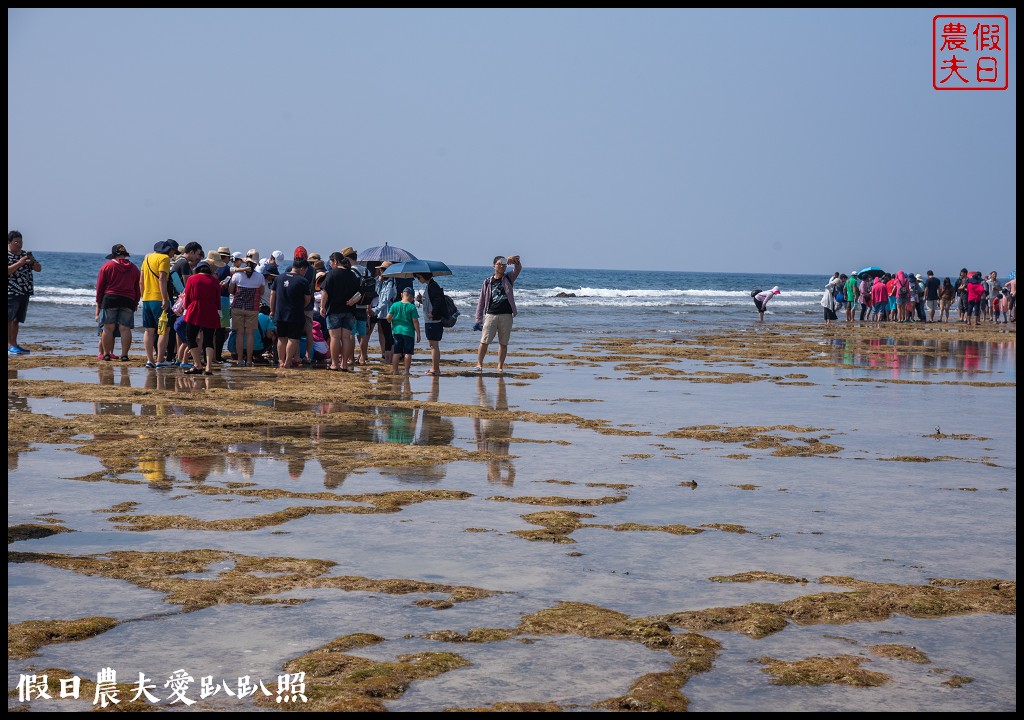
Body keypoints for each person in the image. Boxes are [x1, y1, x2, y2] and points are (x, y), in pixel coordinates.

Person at [474, 254, 523, 372]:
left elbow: (518, 268)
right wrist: (478, 319)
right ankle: (479, 364)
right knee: (484, 341)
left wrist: (515, 261)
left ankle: (500, 366)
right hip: (491, 314)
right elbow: (481, 301)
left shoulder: (509, 278)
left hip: (506, 315)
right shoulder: (487, 282)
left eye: (503, 264)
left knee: (503, 343)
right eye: (499, 264)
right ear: (494, 266)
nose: (501, 266)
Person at [95, 243, 141, 361]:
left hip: (110, 298)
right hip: (128, 299)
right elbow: (137, 288)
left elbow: (100, 287)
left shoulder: (107, 266)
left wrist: (99, 303)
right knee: (125, 328)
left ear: (114, 255)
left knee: (108, 328)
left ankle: (106, 354)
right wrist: (136, 302)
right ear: (125, 255)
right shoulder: (134, 268)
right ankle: (124, 355)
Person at [140, 239, 178, 368]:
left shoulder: (147, 258)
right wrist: (164, 298)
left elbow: (141, 280)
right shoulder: (164, 259)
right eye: (173, 251)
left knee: (149, 330)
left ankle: (150, 360)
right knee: (164, 330)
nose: (174, 254)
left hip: (147, 298)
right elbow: (162, 278)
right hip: (159, 299)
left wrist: (143, 295)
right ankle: (160, 360)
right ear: (169, 250)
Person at [320, 253, 361, 371]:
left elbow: (325, 292)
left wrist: (322, 307)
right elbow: (359, 293)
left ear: (336, 261)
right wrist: (352, 302)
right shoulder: (352, 275)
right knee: (346, 338)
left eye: (331, 262)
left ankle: (334, 364)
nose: (330, 264)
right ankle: (344, 364)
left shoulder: (332, 274)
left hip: (334, 310)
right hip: (350, 310)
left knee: (335, 338)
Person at [180, 261, 222, 375]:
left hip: (195, 309)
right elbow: (218, 298)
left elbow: (187, 296)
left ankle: (197, 364)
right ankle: (208, 367)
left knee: (190, 337)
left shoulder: (192, 279)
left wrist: (185, 309)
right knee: (209, 340)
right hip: (211, 310)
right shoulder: (215, 281)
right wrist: (219, 310)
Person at [270, 255, 312, 369]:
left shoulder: (279, 277)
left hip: (280, 313)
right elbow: (307, 299)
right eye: (305, 270)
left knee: (281, 338)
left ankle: (281, 361)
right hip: (295, 314)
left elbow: (272, 294)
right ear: (302, 268)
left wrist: (272, 310)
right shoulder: (303, 280)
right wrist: (300, 306)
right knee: (293, 339)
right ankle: (288, 362)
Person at [8, 230, 42, 356]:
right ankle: (9, 345)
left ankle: (15, 344)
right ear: (9, 242)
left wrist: (32, 261)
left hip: (25, 291)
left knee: (17, 319)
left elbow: (39, 269)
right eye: (16, 242)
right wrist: (19, 263)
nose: (19, 244)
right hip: (11, 291)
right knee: (9, 319)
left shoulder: (25, 254)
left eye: (21, 242)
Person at [229, 258, 265, 366]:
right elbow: (262, 292)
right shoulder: (259, 277)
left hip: (238, 307)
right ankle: (249, 360)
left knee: (239, 333)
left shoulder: (237, 275)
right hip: (252, 308)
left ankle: (240, 359)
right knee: (250, 334)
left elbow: (230, 290)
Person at [342, 246, 374, 365]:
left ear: (346, 258)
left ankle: (351, 358)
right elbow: (369, 289)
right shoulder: (366, 271)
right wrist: (369, 306)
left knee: (351, 333)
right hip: (364, 305)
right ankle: (362, 357)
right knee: (362, 334)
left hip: (353, 306)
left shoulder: (350, 272)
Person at [415, 271, 445, 375]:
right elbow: (432, 301)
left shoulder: (433, 286)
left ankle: (435, 369)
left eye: (419, 277)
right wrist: (421, 300)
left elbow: (438, 301)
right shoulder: (430, 286)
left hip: (434, 321)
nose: (418, 280)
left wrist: (433, 313)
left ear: (424, 276)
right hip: (431, 320)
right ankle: (435, 368)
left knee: (434, 346)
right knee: (433, 345)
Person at [387, 287, 421, 375]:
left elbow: (388, 317)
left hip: (397, 331)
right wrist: (418, 333)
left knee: (397, 352)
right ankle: (406, 371)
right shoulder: (412, 307)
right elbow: (415, 321)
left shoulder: (395, 305)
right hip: (408, 332)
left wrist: (391, 321)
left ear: (402, 294)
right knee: (408, 353)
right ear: (412, 298)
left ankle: (395, 370)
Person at [371, 261, 397, 363]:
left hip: (387, 313)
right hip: (382, 313)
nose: (379, 271)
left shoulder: (390, 284)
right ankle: (389, 357)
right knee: (387, 335)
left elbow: (385, 300)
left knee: (388, 335)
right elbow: (377, 291)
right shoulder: (384, 282)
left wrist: (375, 310)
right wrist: (379, 281)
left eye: (381, 270)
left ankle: (389, 358)